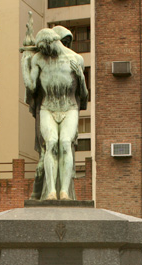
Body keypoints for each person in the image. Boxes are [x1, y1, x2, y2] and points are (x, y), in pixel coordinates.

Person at [22, 28, 88, 200]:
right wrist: (24, 62)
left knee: (65, 143)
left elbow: (84, 95)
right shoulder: (39, 59)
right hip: (48, 108)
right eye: (43, 51)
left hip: (69, 107)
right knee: (51, 143)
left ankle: (64, 192)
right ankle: (51, 191)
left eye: (48, 49)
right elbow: (32, 86)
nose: (47, 53)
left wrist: (81, 77)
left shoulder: (76, 59)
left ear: (54, 41)